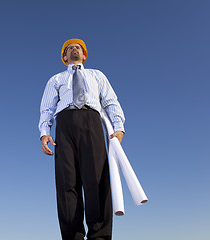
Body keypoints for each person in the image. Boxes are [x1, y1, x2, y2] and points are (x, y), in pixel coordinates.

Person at [39, 38, 125, 240]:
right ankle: (72, 236)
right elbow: (47, 108)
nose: (74, 49)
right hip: (65, 125)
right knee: (67, 183)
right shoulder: (56, 79)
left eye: (78, 47)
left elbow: (111, 101)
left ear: (84, 55)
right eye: (69, 48)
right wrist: (44, 133)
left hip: (91, 121)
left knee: (96, 180)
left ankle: (100, 236)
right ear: (64, 57)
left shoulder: (97, 75)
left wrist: (118, 127)